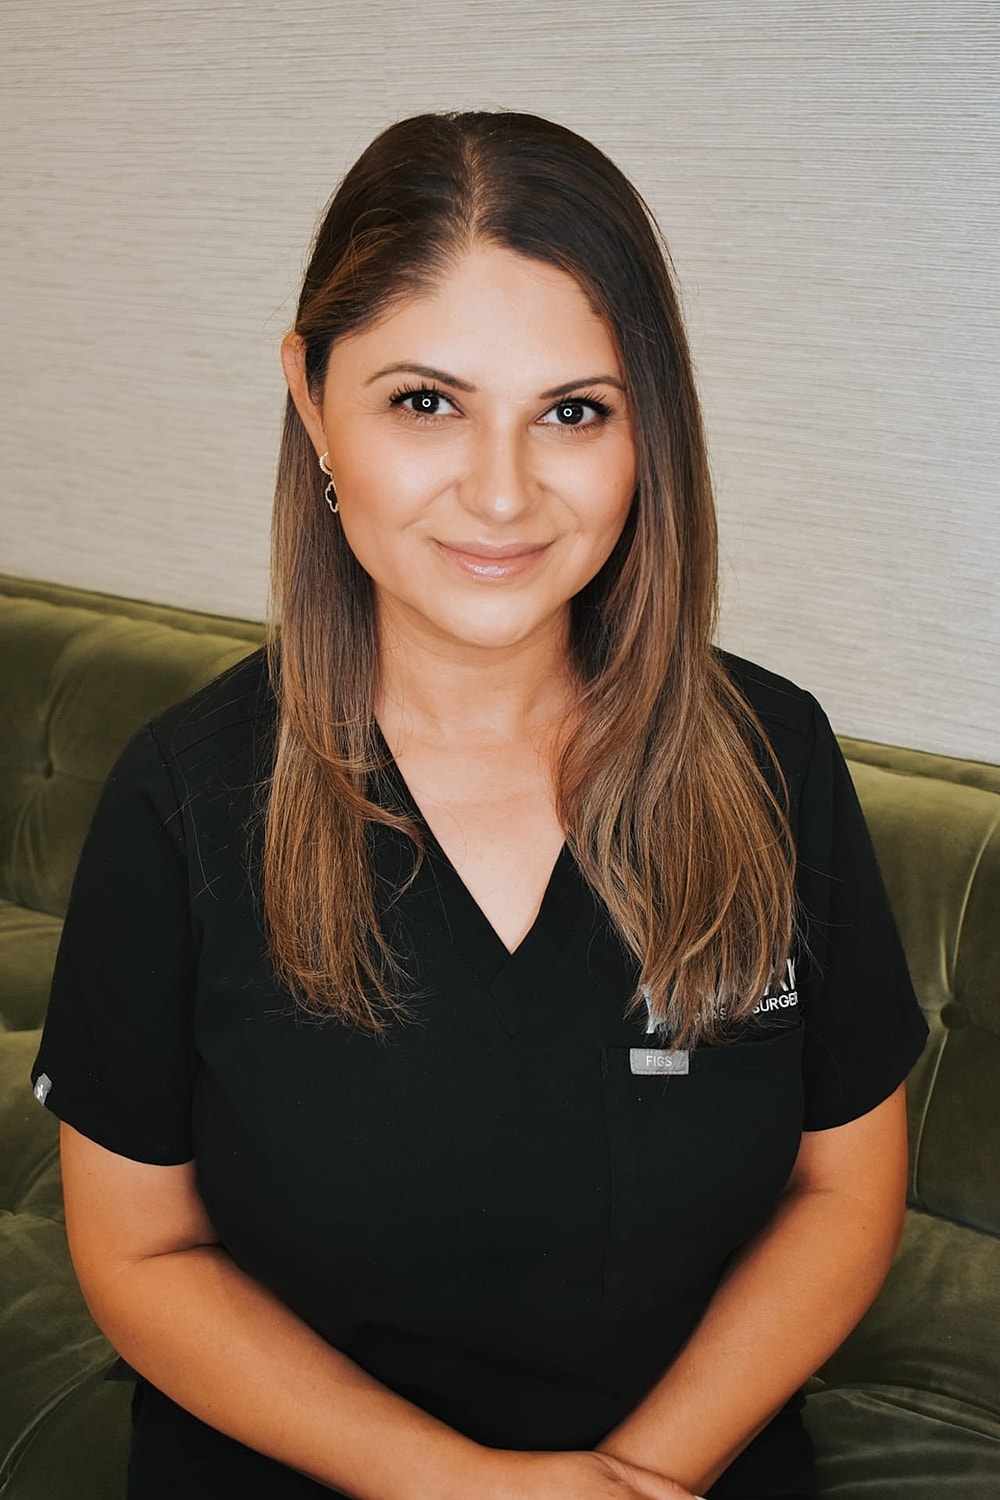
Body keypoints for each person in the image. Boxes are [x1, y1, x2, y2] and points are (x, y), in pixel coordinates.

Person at [32, 110, 928, 1500]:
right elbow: (140, 1252)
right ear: (312, 398)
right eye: (424, 401)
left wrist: (636, 1476)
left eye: (573, 411)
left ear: (650, 430)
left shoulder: (773, 755)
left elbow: (843, 1189)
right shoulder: (184, 796)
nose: (503, 494)